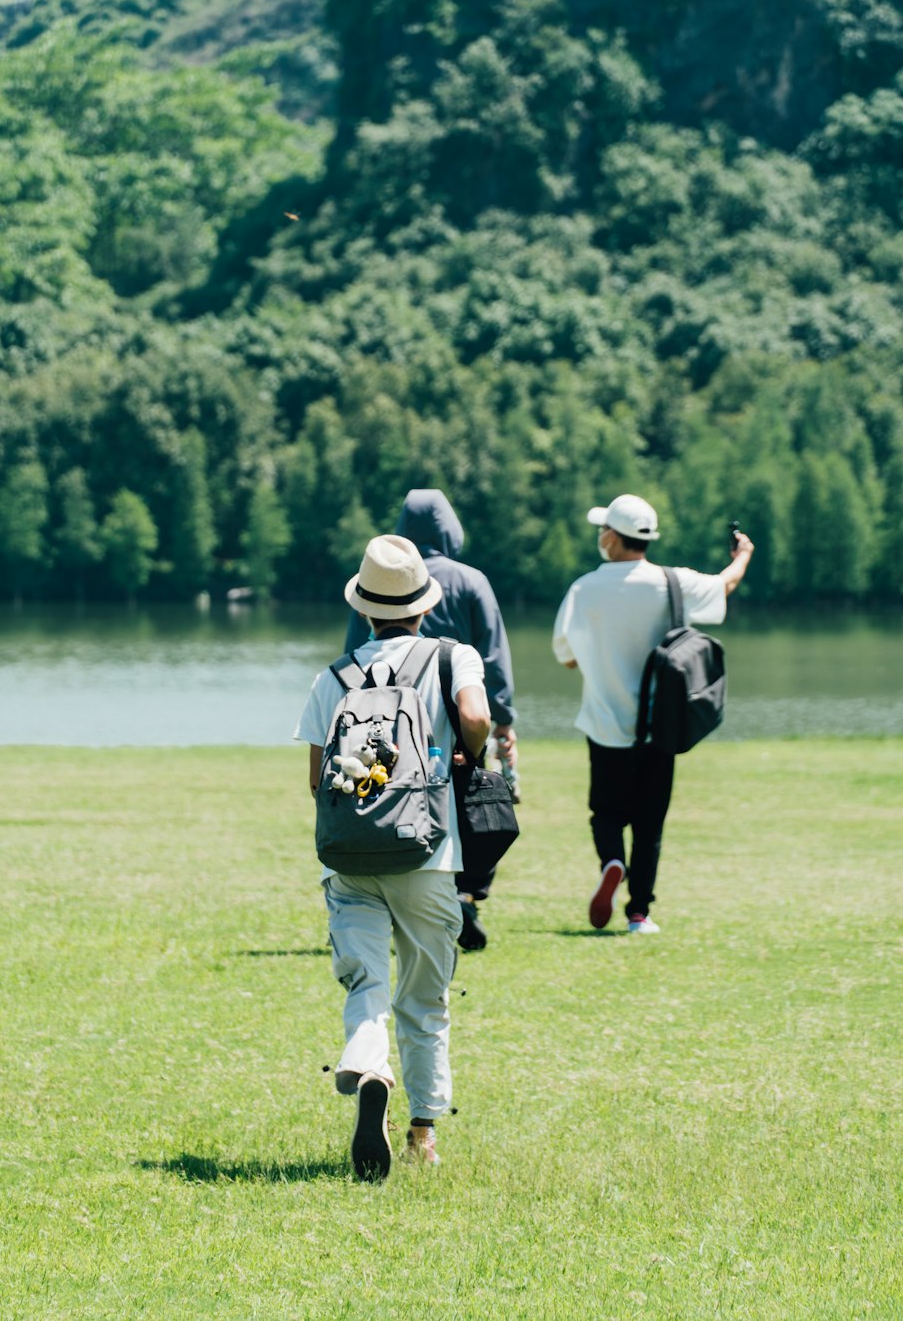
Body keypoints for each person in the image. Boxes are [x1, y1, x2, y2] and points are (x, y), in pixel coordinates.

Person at [296, 533, 491, 1181]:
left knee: (366, 981)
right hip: (429, 854)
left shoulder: (336, 677)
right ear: (422, 603)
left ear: (366, 606)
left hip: (350, 857)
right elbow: (477, 716)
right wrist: (470, 751)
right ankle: (423, 1133)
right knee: (426, 999)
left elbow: (317, 778)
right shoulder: (450, 657)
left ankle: (370, 1065)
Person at [552, 494, 754, 934]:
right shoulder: (673, 583)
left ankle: (611, 862)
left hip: (606, 726)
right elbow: (724, 586)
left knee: (605, 813)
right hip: (660, 728)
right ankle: (639, 913)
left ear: (611, 536)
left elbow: (565, 656)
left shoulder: (584, 589)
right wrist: (742, 556)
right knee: (649, 824)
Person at [344, 488, 517, 951]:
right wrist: (502, 721)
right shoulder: (471, 580)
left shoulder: (376, 583)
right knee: (476, 804)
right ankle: (465, 895)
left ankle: (399, 895)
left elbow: (354, 657)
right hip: (459, 712)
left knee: (399, 800)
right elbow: (494, 656)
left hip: (388, 722)